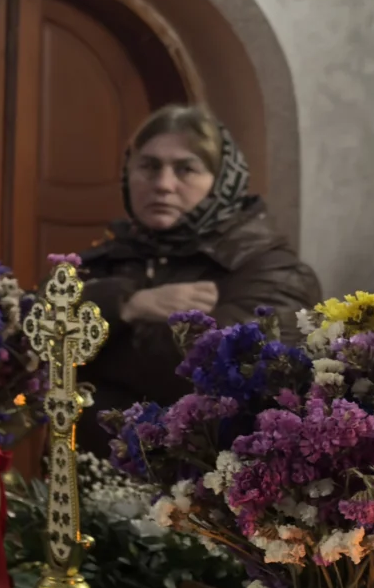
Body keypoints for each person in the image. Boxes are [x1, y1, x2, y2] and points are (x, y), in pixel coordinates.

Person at [80, 104, 322, 427]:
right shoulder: (111, 254)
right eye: (149, 167)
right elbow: (32, 335)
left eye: (186, 169)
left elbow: (219, 369)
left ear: (221, 181)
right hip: (82, 456)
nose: (163, 184)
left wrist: (91, 351)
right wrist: (126, 305)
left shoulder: (271, 267)